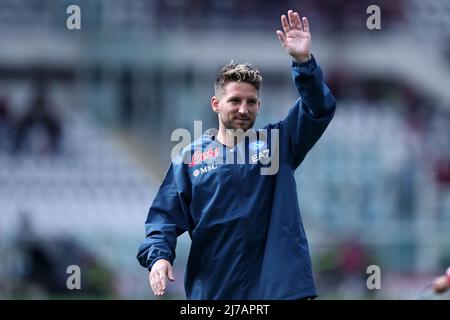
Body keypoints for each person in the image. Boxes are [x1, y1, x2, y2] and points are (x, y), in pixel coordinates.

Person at [137, 9, 336, 299]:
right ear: (216, 104)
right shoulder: (189, 160)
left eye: (251, 102)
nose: (244, 109)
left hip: (280, 291)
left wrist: (303, 63)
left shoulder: (277, 144)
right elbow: (164, 219)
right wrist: (158, 258)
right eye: (235, 101)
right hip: (215, 293)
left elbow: (318, 108)